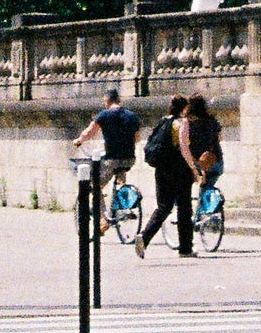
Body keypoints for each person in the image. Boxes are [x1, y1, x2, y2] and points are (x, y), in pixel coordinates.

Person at [71, 85, 141, 233]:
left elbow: (89, 132)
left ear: (107, 101)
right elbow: (137, 138)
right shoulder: (132, 116)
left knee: (96, 187)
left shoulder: (104, 115)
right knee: (120, 181)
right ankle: (125, 206)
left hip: (111, 160)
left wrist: (78, 140)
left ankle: (103, 220)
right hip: (129, 158)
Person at [135, 93, 194, 260]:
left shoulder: (163, 121)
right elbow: (184, 148)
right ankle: (185, 248)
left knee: (164, 207)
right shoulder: (182, 123)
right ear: (184, 108)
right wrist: (193, 168)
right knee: (184, 208)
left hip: (161, 169)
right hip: (179, 170)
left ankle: (145, 237)